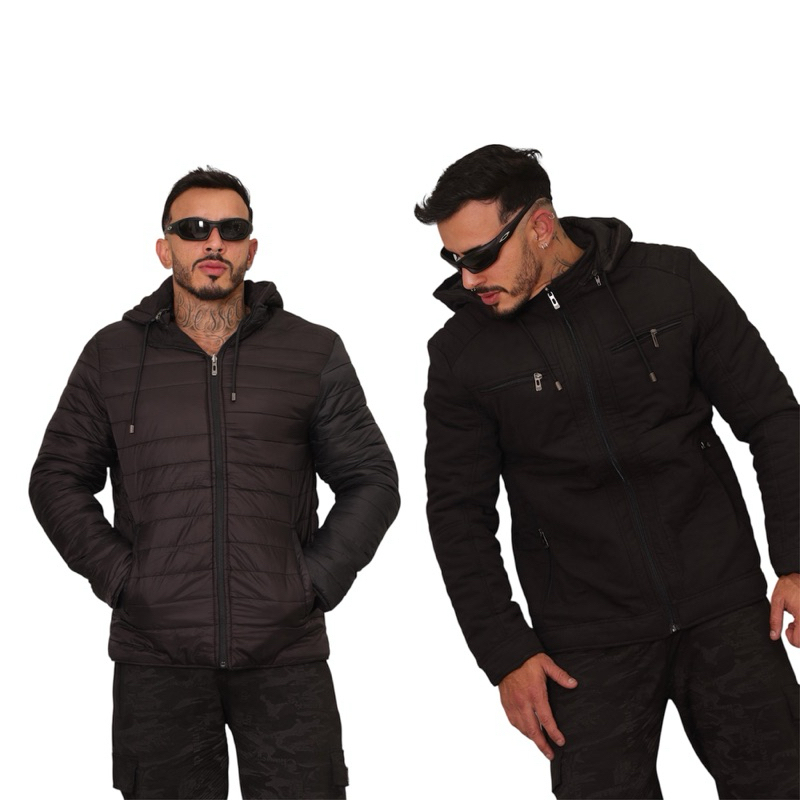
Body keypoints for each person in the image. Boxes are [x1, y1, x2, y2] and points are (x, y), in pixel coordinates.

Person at [416, 144, 799, 799]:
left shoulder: (671, 283)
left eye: (480, 256)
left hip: (725, 607)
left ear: (540, 226)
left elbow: (773, 418)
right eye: (454, 260)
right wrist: (505, 651)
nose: (468, 279)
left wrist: (794, 559)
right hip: (584, 642)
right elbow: (458, 513)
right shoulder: (462, 355)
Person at [30, 167, 400, 799]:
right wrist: (125, 581)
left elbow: (371, 479)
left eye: (231, 229)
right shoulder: (112, 355)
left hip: (285, 656)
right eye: (194, 228)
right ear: (164, 247)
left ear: (251, 249)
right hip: (157, 659)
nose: (213, 242)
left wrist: (311, 582)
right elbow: (57, 479)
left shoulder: (311, 351)